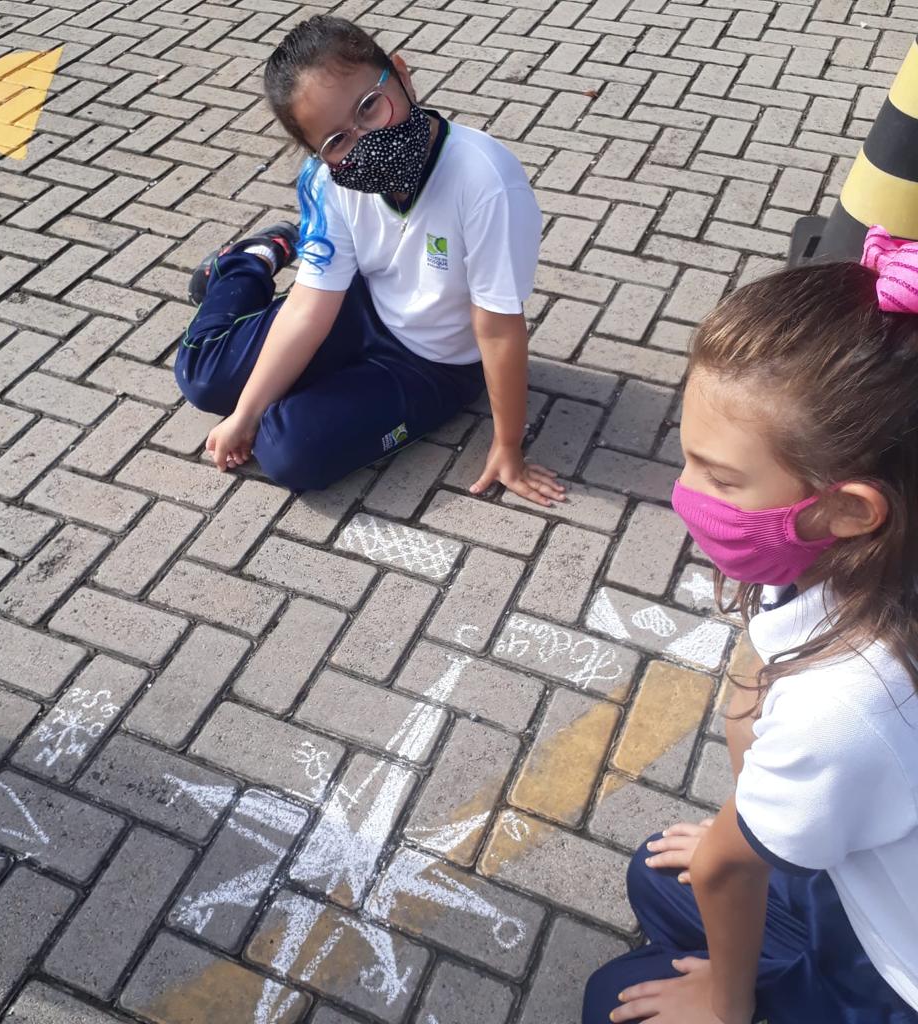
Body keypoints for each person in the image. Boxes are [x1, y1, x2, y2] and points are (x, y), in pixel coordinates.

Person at [583, 226, 918, 1024]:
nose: (683, 493)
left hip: (892, 974)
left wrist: (723, 1000)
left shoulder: (849, 700)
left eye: (721, 477)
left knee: (610, 999)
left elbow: (733, 866)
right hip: (868, 878)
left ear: (848, 509)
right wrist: (744, 834)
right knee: (659, 873)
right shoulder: (863, 563)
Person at [173, 14, 563, 505]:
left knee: (291, 454)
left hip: (433, 363)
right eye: (336, 141)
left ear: (400, 73)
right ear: (317, 153)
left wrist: (508, 447)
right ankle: (250, 261)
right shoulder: (326, 182)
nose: (365, 140)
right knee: (203, 378)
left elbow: (498, 325)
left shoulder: (485, 180)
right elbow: (311, 306)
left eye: (369, 108)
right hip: (357, 305)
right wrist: (246, 413)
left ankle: (299, 355)